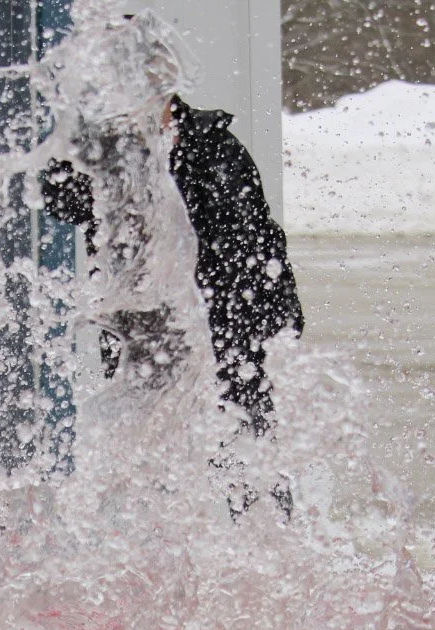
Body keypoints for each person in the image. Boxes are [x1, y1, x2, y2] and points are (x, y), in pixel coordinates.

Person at [43, 94, 305, 436]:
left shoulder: (216, 144)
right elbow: (57, 197)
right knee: (151, 461)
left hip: (232, 344)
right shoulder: (107, 157)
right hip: (146, 348)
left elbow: (264, 247)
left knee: (242, 465)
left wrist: (282, 329)